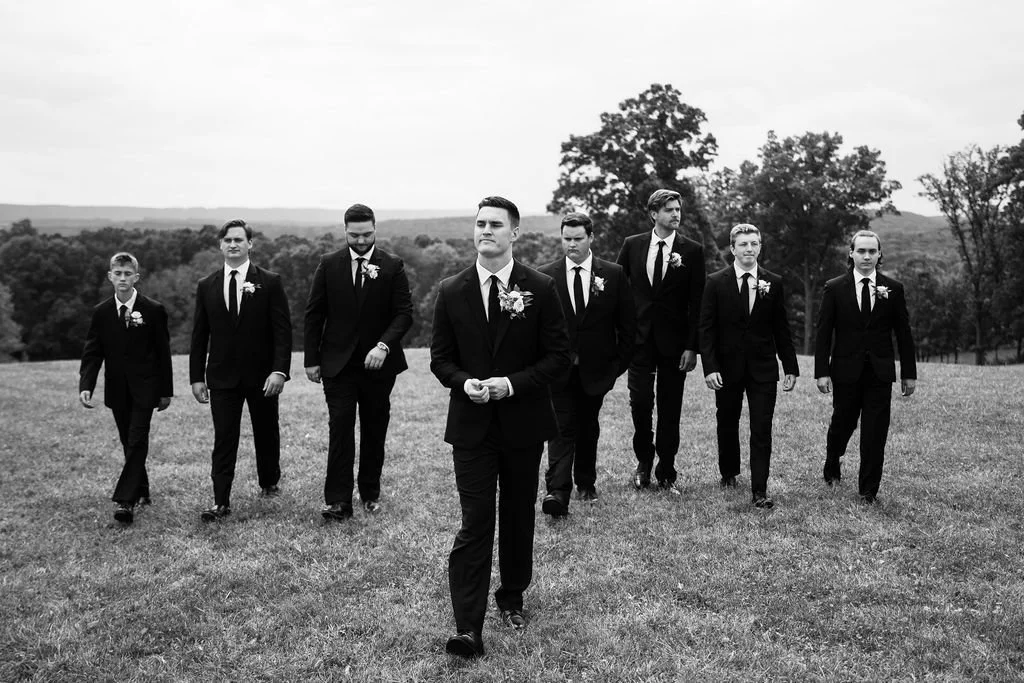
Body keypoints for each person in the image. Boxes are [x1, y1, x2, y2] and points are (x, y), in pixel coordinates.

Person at [430, 196, 570, 657]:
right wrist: (463, 381)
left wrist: (510, 385)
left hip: (522, 423)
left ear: (515, 233)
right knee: (475, 522)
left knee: (515, 515)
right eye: (479, 224)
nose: (485, 231)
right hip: (470, 427)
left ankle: (512, 595)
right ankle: (468, 627)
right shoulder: (451, 290)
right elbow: (440, 360)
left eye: (495, 225)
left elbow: (557, 357)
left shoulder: (541, 287)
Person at [304, 203, 413, 520]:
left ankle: (370, 492)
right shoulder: (329, 264)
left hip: (379, 366)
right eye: (354, 235)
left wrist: (383, 345)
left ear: (375, 228)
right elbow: (314, 314)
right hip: (337, 364)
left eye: (366, 234)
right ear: (345, 231)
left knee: (374, 428)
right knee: (340, 428)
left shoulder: (392, 265)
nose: (361, 241)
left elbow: (404, 314)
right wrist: (312, 359)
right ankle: (338, 501)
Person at [189, 219, 292, 522]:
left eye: (239, 239)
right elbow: (199, 335)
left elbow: (282, 332)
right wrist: (196, 377)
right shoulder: (206, 285)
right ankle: (221, 501)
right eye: (227, 240)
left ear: (250, 244)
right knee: (224, 437)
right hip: (222, 376)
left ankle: (269, 481)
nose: (233, 244)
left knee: (266, 430)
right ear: (220, 245)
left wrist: (279, 371)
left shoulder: (270, 282)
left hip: (262, 375)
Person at [537, 212, 635, 516]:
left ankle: (586, 481)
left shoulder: (614, 274)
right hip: (557, 370)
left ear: (590, 238)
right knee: (561, 427)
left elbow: (629, 328)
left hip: (597, 371)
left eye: (578, 238)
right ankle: (557, 491)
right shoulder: (545, 275)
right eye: (567, 238)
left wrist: (614, 368)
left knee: (588, 426)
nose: (572, 244)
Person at [698, 224, 798, 509]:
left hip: (763, 368)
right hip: (727, 368)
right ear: (733, 248)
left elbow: (782, 328)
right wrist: (710, 367)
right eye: (743, 244)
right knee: (727, 421)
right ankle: (729, 472)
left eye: (754, 244)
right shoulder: (716, 281)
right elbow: (706, 328)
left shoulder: (773, 282)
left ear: (760, 247)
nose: (749, 249)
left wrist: (790, 366)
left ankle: (760, 489)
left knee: (761, 427)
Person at [815, 229, 917, 503]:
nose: (867, 256)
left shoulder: (893, 289)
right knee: (842, 424)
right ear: (851, 253)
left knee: (875, 432)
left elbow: (903, 333)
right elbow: (824, 333)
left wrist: (909, 373)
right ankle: (832, 458)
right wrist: (821, 371)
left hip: (880, 372)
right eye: (861, 251)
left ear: (880, 254)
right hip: (845, 370)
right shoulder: (834, 287)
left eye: (872, 251)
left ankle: (868, 490)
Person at [616, 188, 705, 495]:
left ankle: (666, 469)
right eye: (669, 209)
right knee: (640, 403)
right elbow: (618, 289)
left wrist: (693, 346)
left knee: (670, 408)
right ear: (654, 214)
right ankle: (643, 463)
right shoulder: (633, 245)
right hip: (638, 342)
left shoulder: (692, 251)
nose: (676, 214)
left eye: (678, 209)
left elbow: (698, 304)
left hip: (676, 345)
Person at [79, 252, 173, 525]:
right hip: (117, 390)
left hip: (146, 389)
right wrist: (87, 384)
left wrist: (165, 391)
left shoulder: (153, 310)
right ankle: (142, 489)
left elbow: (162, 353)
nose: (122, 278)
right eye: (117, 273)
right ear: (110, 276)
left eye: (127, 274)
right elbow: (93, 352)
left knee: (136, 440)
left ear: (136, 277)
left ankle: (125, 501)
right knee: (127, 442)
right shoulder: (101, 312)